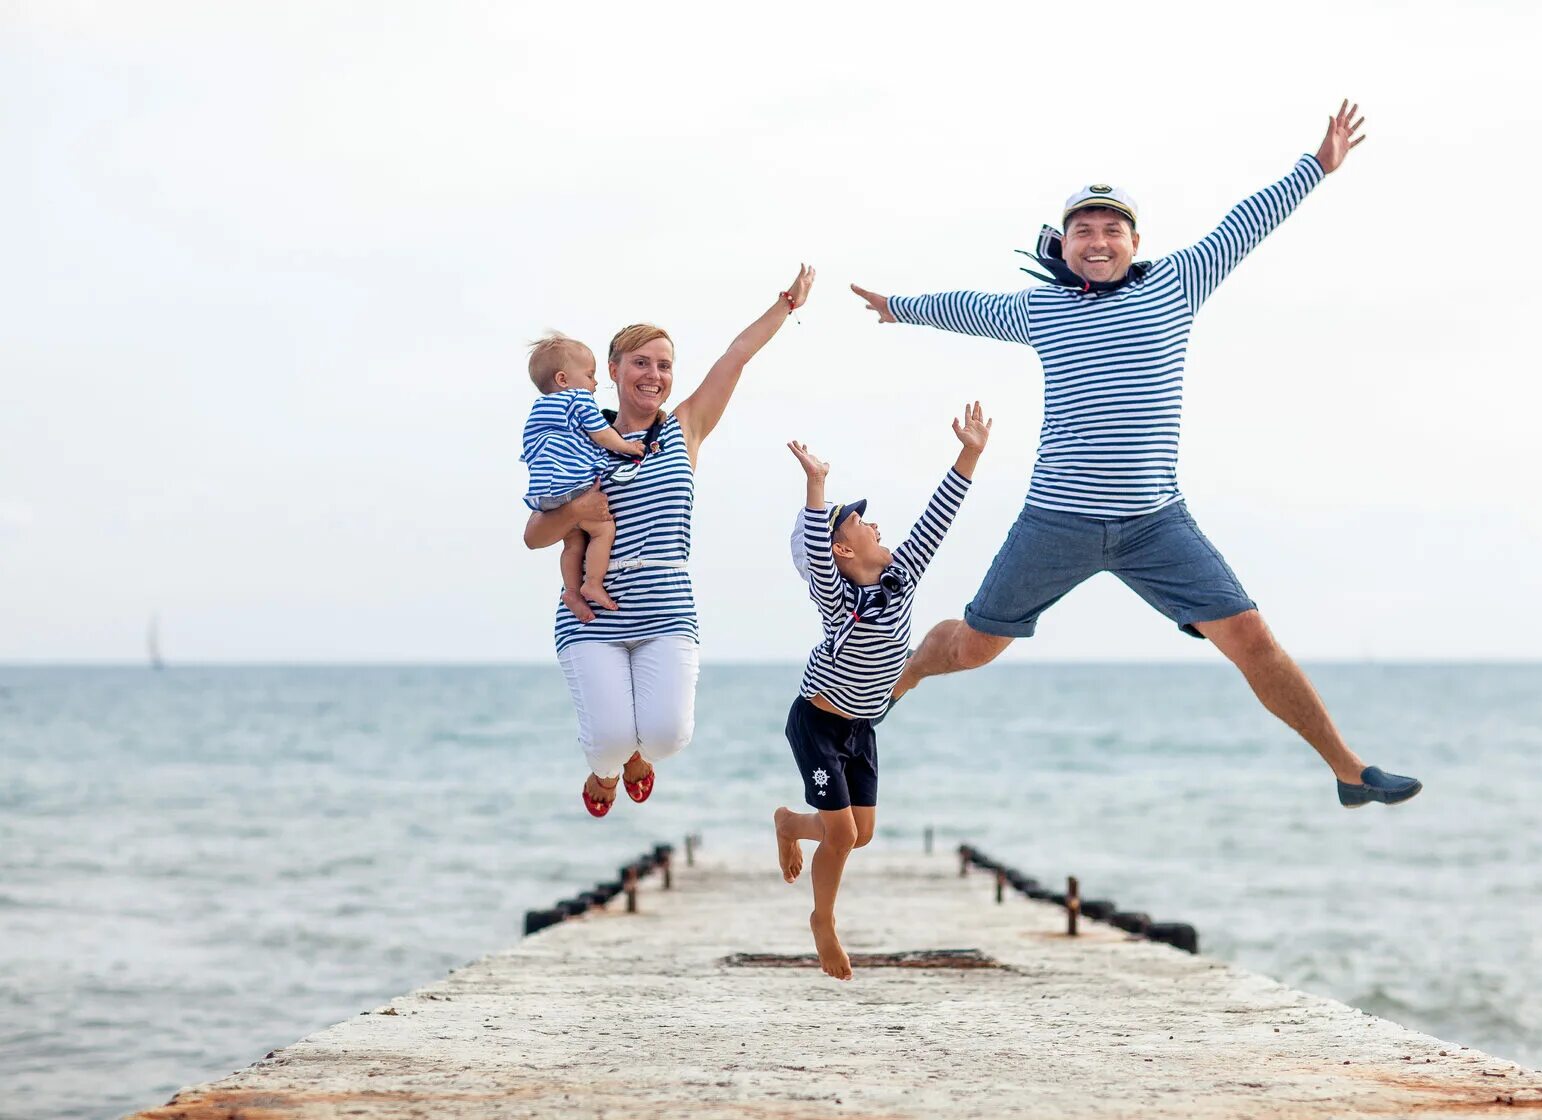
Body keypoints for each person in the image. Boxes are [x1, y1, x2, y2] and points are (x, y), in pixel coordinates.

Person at [850, 102, 1420, 809]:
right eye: (1082, 231)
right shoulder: (1038, 310)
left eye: (1111, 229)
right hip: (1056, 522)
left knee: (1250, 636)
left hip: (1156, 522)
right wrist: (899, 306)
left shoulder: (1177, 283)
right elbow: (964, 305)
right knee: (971, 647)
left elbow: (1244, 223)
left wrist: (1317, 165)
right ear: (1062, 245)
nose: (1097, 240)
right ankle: (894, 682)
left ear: (1133, 240)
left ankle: (1348, 770)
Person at [524, 266, 817, 817]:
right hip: (595, 613)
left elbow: (735, 357)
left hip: (666, 610)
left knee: (665, 738)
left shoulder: (684, 427)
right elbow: (534, 536)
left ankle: (639, 758)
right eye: (640, 362)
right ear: (611, 371)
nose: (653, 374)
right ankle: (606, 767)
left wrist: (785, 304)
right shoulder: (576, 433)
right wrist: (576, 509)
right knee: (609, 741)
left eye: (663, 365)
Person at [775, 403, 990, 980]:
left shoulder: (903, 575)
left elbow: (936, 520)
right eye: (861, 524)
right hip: (816, 722)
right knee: (842, 832)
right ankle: (823, 922)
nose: (875, 526)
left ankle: (793, 824)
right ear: (844, 551)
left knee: (858, 834)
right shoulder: (836, 595)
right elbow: (818, 553)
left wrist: (968, 453)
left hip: (862, 728)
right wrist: (817, 487)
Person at [520, 333, 646, 613]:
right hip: (574, 483)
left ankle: (573, 593)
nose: (595, 383)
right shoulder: (578, 399)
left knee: (573, 541)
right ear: (563, 380)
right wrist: (627, 446)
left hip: (546, 493)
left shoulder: (538, 410)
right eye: (590, 375)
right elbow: (602, 435)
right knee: (603, 530)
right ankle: (592, 582)